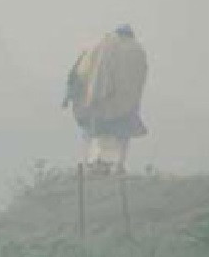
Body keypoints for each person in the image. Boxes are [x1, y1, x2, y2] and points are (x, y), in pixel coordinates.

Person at [63, 24, 149, 175]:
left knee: (95, 133)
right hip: (127, 103)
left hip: (101, 100)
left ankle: (94, 164)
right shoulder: (138, 50)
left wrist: (79, 96)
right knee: (122, 135)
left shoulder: (103, 46)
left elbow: (83, 73)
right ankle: (118, 164)